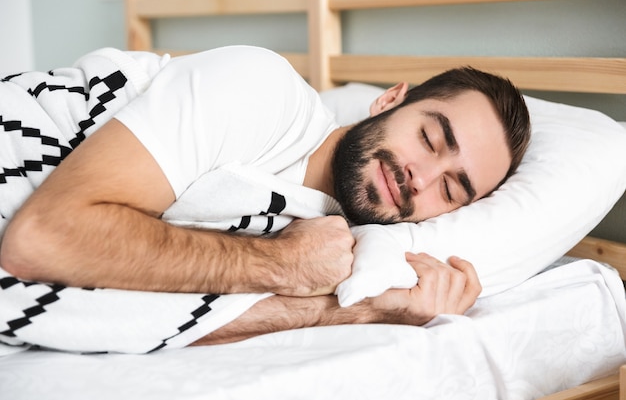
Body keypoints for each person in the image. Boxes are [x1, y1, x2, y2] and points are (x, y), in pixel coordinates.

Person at [0, 45, 530, 344]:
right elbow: (45, 239)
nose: (422, 176)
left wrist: (364, 312)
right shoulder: (265, 91)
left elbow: (155, 309)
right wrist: (279, 265)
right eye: (430, 138)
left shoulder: (340, 251)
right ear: (389, 101)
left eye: (452, 188)